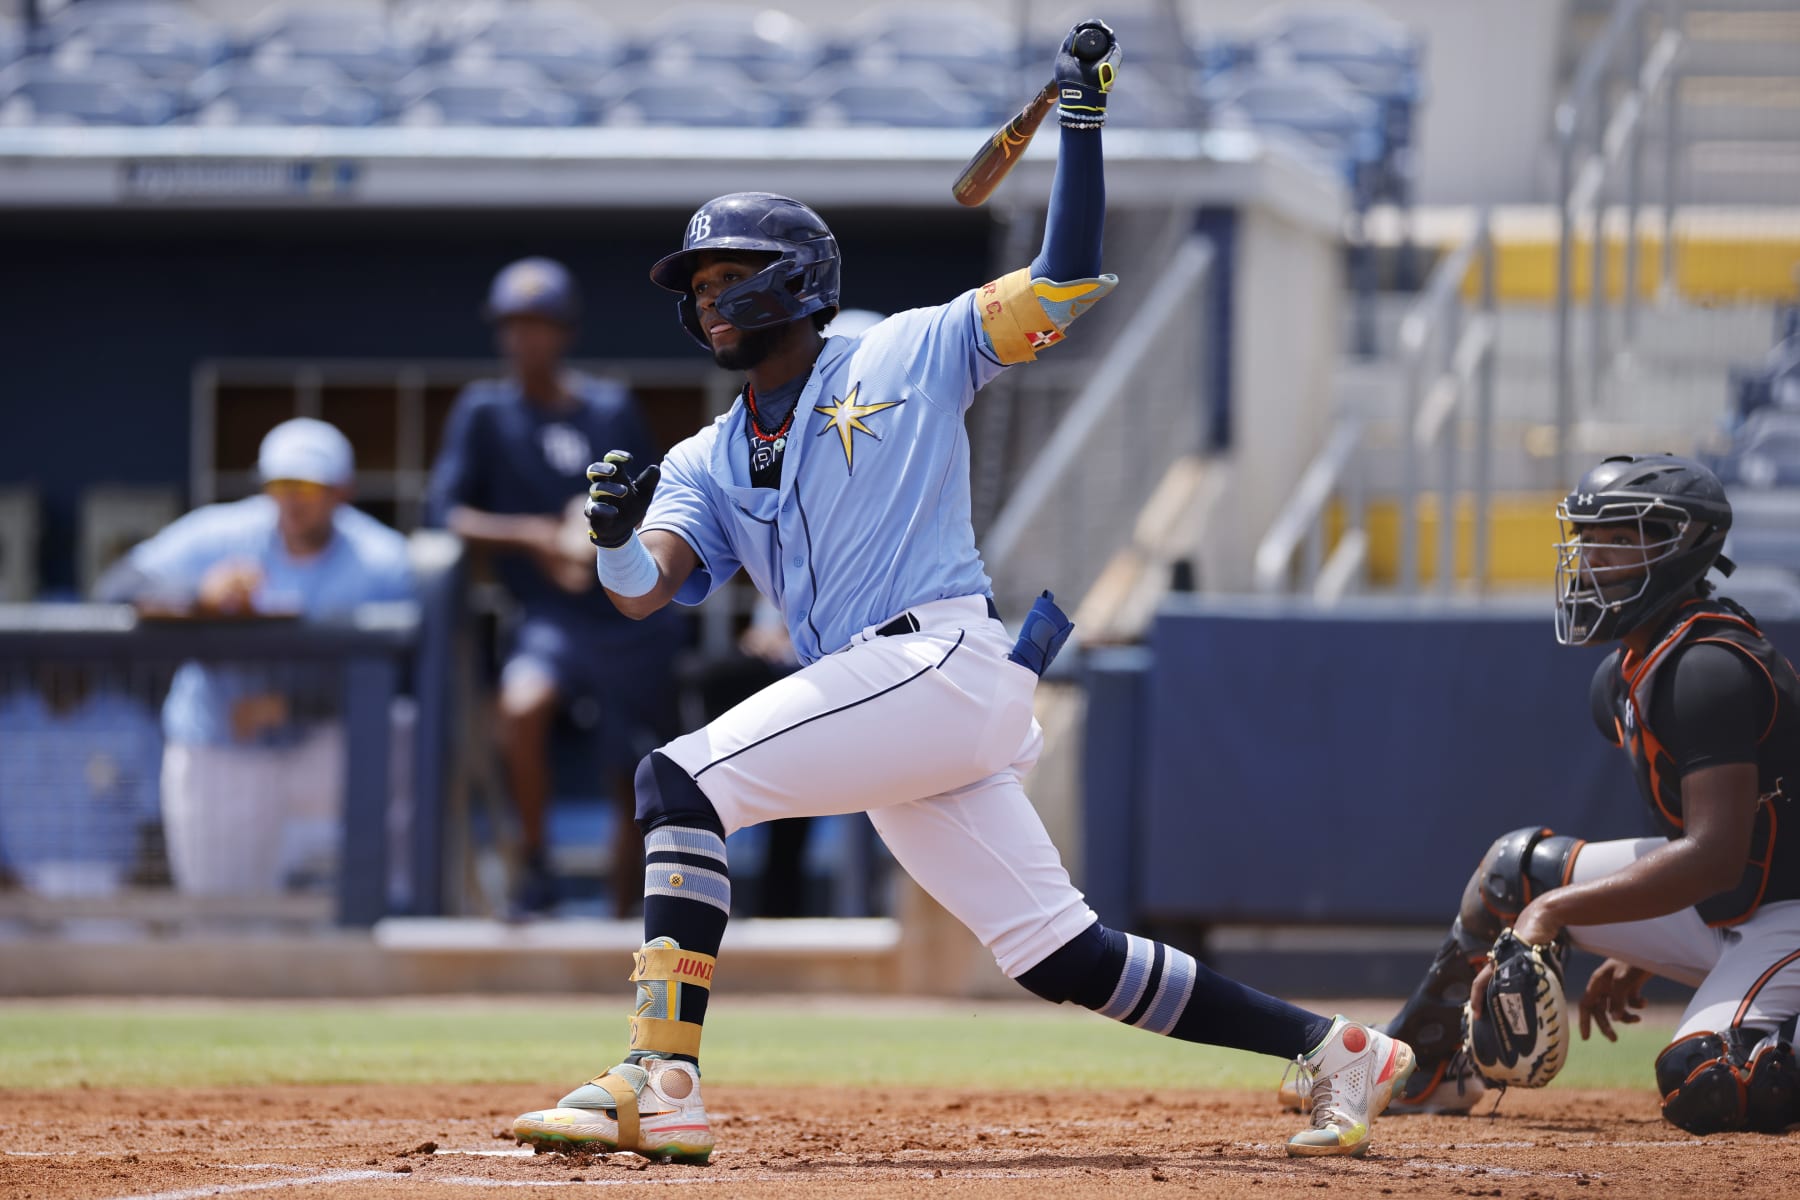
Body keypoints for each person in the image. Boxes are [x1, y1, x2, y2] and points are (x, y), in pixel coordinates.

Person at [510, 21, 1413, 1164]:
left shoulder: (907, 348)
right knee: (1057, 952)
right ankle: (1341, 1051)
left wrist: (1079, 130)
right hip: (892, 697)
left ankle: (663, 1075)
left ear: (799, 280)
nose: (713, 298)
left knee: (675, 780)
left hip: (930, 660)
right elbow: (646, 592)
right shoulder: (702, 455)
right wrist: (608, 538)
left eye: (733, 275)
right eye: (700, 284)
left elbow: (1067, 281)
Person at [1365, 454, 1800, 1133]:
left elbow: (1714, 854)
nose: (1593, 559)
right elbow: (1691, 847)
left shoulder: (1707, 668)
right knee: (1512, 873)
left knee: (1708, 1080)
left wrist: (1556, 913)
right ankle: (1423, 1065)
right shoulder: (1626, 676)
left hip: (1788, 914)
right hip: (1739, 903)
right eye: (1589, 539)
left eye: (1620, 540)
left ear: (1683, 547)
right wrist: (1634, 941)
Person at [428, 257, 684, 918]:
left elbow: (658, 498)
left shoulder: (609, 405)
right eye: (514, 326)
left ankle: (630, 907)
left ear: (564, 331)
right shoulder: (485, 411)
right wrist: (540, 536)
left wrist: (594, 534)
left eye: (539, 325)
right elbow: (444, 512)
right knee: (519, 707)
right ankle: (534, 867)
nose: (525, 340)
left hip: (628, 617)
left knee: (635, 765)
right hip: (549, 616)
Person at [98, 418, 413, 895]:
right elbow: (115, 586)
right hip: (220, 739)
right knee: (220, 909)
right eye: (281, 483)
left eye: (307, 485)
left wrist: (296, 706)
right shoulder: (221, 533)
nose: (292, 498)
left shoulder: (382, 560)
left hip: (323, 739)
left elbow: (407, 674)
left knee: (347, 905)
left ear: (341, 491)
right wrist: (196, 597)